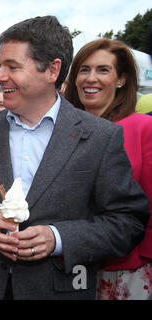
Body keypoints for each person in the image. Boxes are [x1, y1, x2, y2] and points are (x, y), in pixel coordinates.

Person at [0, 16, 149, 300]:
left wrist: (58, 238)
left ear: (52, 70)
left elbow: (127, 222)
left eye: (12, 66)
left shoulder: (100, 137)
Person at [64, 38, 152, 300]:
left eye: (103, 70)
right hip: (68, 263)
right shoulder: (63, 133)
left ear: (121, 79)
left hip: (126, 268)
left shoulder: (142, 128)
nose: (91, 78)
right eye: (84, 69)